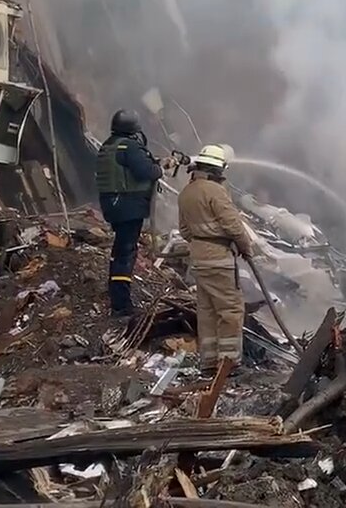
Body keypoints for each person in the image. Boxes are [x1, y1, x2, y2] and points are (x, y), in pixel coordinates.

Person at [177, 144, 258, 370]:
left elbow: (184, 230)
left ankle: (209, 362)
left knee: (207, 310)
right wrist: (245, 247)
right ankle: (229, 363)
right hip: (219, 259)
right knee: (230, 309)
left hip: (199, 259)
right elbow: (233, 225)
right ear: (218, 169)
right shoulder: (215, 191)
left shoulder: (187, 192)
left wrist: (202, 237)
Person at [94, 109, 171, 317]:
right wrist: (159, 168)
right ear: (134, 129)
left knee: (120, 250)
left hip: (113, 204)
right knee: (125, 253)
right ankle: (121, 305)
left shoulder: (109, 145)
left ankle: (117, 297)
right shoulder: (130, 146)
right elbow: (147, 172)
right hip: (128, 206)